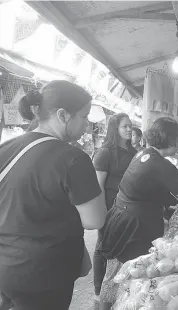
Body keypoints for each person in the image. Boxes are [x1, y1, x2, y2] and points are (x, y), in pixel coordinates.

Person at [98, 117, 178, 310]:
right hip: (132, 226)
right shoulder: (158, 163)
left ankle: (108, 306)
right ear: (172, 140)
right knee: (129, 275)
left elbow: (171, 175)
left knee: (118, 273)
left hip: (123, 218)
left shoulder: (146, 154)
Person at [0, 80, 107, 310]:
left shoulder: (6, 148)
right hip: (46, 273)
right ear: (63, 115)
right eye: (85, 116)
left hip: (6, 268)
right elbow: (94, 220)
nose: (87, 126)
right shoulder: (73, 159)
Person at [92, 113, 137, 302]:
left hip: (127, 208)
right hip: (110, 206)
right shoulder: (105, 153)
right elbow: (98, 186)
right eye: (124, 126)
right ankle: (98, 291)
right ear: (115, 129)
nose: (129, 129)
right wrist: (102, 211)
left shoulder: (133, 152)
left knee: (121, 246)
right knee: (103, 247)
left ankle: (114, 290)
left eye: (130, 126)